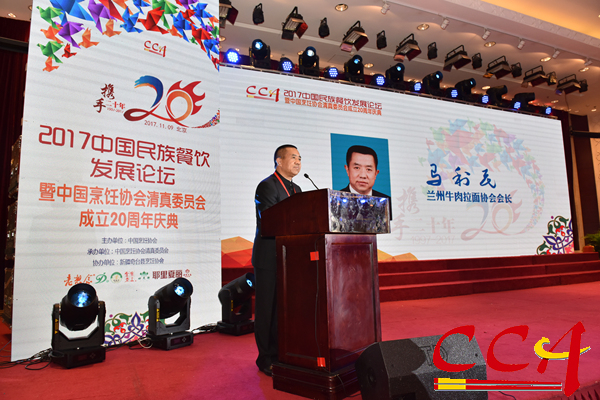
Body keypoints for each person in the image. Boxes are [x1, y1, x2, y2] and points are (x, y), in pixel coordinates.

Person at [252, 144, 302, 377]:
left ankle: (283, 353)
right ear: (279, 161)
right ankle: (265, 358)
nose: (298, 162)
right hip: (269, 257)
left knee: (283, 309)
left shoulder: (297, 189)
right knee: (266, 310)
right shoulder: (267, 186)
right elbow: (270, 220)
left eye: (300, 158)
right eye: (293, 157)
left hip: (289, 258)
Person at [339, 145, 391, 218]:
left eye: (368, 169)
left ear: (376, 173)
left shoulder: (387, 202)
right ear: (347, 170)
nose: (363, 175)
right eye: (357, 168)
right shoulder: (336, 200)